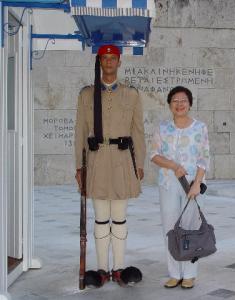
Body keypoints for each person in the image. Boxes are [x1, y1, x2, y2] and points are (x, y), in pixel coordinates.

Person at [74, 44, 145, 287]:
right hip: (97, 160)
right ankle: (103, 269)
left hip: (123, 160)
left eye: (112, 58)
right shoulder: (86, 94)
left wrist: (140, 164)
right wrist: (79, 166)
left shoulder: (131, 94)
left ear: (119, 63)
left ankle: (119, 268)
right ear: (99, 62)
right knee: (101, 218)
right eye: (104, 58)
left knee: (120, 217)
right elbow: (80, 132)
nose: (108, 62)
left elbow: (138, 131)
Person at [150, 86, 210, 289]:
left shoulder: (200, 127)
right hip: (168, 183)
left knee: (191, 228)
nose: (179, 104)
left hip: (191, 186)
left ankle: (190, 274)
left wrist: (197, 183)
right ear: (169, 104)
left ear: (190, 103)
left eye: (183, 100)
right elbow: (154, 155)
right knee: (170, 228)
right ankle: (174, 273)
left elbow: (204, 158)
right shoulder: (162, 127)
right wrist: (173, 166)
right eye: (175, 101)